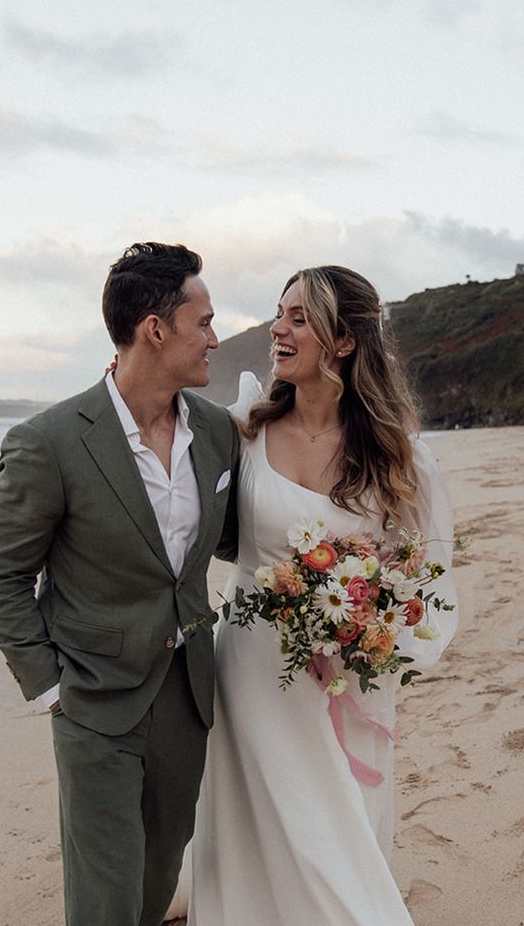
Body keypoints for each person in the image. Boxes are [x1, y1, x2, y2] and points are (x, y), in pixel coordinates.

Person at [0, 242, 240, 926]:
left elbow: (238, 538)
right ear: (156, 330)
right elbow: (3, 574)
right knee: (108, 893)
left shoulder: (216, 433)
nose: (216, 338)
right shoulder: (50, 441)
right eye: (204, 322)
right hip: (92, 698)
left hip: (187, 694)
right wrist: (51, 685)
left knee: (155, 882)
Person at [188, 266, 458, 925]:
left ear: (343, 342)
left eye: (300, 318)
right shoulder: (244, 433)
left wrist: (365, 638)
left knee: (330, 832)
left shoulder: (399, 459)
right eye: (280, 314)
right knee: (257, 826)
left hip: (346, 677)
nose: (279, 329)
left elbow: (425, 581)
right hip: (250, 663)